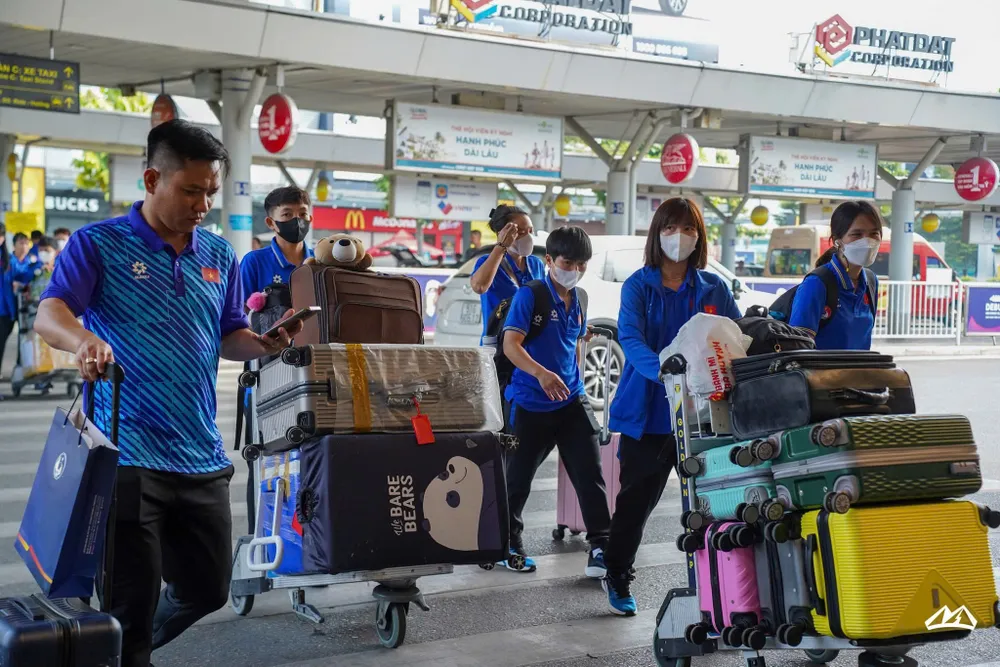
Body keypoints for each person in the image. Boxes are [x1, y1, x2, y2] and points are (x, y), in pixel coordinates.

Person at [33, 119, 303, 667]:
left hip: (200, 454)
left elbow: (228, 334)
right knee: (129, 606)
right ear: (152, 179)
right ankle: (125, 650)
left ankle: (111, 652)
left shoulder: (219, 254)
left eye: (211, 192)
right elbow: (49, 313)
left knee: (207, 589)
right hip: (126, 455)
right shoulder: (99, 244)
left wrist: (262, 344)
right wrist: (84, 340)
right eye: (191, 191)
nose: (203, 205)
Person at [601, 198, 740, 616]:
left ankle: (726, 585)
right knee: (635, 503)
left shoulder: (714, 288)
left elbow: (736, 335)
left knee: (717, 503)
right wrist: (664, 370)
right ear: (657, 234)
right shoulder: (638, 286)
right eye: (670, 228)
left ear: (699, 237)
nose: (679, 237)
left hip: (705, 417)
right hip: (649, 415)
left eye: (689, 229)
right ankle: (617, 572)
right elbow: (630, 337)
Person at [501, 226, 610, 577]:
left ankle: (601, 547)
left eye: (582, 264)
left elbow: (573, 340)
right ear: (549, 260)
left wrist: (575, 374)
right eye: (568, 262)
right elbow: (511, 345)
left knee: (590, 475)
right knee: (517, 480)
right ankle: (508, 544)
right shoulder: (530, 296)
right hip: (530, 403)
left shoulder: (580, 299)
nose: (575, 270)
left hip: (571, 401)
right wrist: (541, 374)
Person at [788, 201, 882, 351]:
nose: (867, 241)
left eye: (874, 233)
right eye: (857, 234)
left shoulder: (871, 282)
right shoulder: (817, 283)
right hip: (821, 367)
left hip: (859, 367)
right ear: (837, 241)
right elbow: (797, 346)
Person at [470, 205, 545, 373]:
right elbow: (479, 286)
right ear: (503, 233)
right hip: (498, 350)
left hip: (528, 350)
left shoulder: (535, 264)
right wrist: (501, 246)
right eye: (520, 232)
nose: (528, 237)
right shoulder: (488, 262)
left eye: (530, 231)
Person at [239, 186, 314, 293]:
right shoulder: (254, 262)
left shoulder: (319, 261)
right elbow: (238, 302)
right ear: (270, 223)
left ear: (310, 219)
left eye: (303, 214)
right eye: (287, 214)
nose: (297, 220)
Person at [0, 224, 35, 379]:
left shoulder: (31, 263)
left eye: (27, 243)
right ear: (14, 244)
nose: (24, 246)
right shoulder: (7, 261)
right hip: (6, 309)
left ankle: (21, 372)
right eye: (21, 243)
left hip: (25, 309)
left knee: (25, 341)